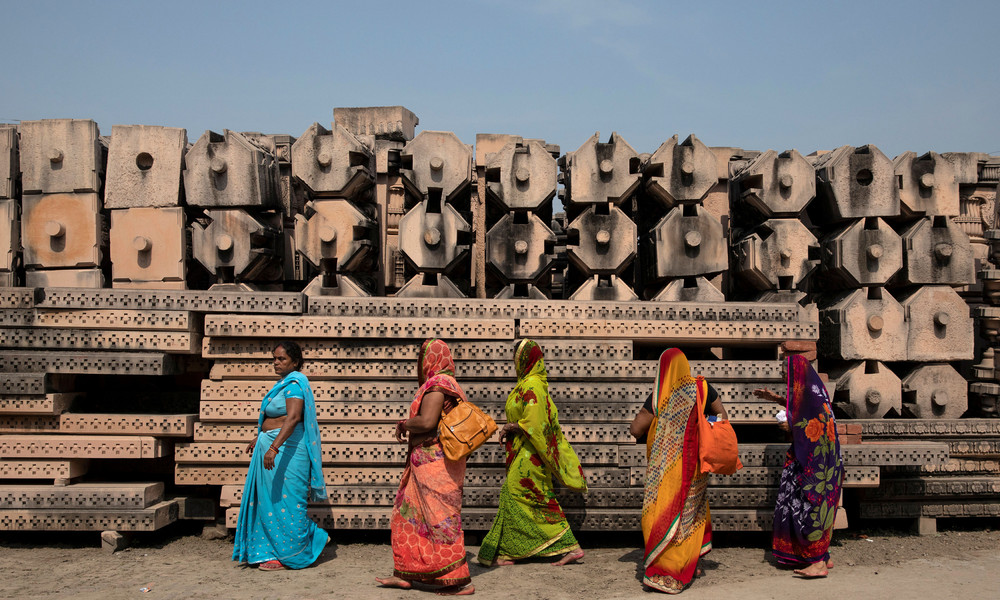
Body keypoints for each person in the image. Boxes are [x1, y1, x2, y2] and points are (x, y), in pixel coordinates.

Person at [376, 339, 475, 596]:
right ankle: (405, 573)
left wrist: (404, 424)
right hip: (433, 463)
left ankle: (458, 580)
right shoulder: (450, 385)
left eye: (421, 358)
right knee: (408, 518)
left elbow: (428, 421)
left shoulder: (437, 385)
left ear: (428, 359)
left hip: (434, 464)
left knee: (440, 522)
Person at [477, 339, 588, 568]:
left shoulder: (532, 385)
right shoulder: (527, 384)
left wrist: (511, 427)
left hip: (531, 455)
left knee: (516, 493)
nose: (513, 362)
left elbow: (535, 422)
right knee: (532, 497)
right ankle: (511, 552)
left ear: (525, 360)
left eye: (516, 357)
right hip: (525, 452)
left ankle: (567, 546)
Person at [232, 341, 328, 570]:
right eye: (274, 358)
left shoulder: (295, 384)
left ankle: (294, 554)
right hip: (274, 446)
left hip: (289, 451)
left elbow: (293, 418)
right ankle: (272, 550)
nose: (276, 362)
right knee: (270, 502)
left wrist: (273, 447)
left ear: (295, 362)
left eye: (281, 359)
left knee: (288, 503)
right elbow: (277, 419)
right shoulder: (283, 384)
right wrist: (261, 437)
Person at [628, 348, 716, 594]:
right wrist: (702, 423)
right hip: (696, 468)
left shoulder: (658, 397)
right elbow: (722, 417)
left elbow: (636, 429)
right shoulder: (703, 389)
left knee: (660, 514)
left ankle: (669, 570)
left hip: (666, 472)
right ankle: (690, 561)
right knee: (691, 512)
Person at [754, 354, 843, 578]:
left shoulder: (811, 397)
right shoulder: (814, 392)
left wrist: (789, 426)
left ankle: (818, 565)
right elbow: (805, 411)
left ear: (797, 374)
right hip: (822, 462)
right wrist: (778, 400)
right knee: (816, 506)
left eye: (786, 374)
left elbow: (807, 424)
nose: (784, 377)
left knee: (810, 505)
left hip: (816, 465)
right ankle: (823, 556)